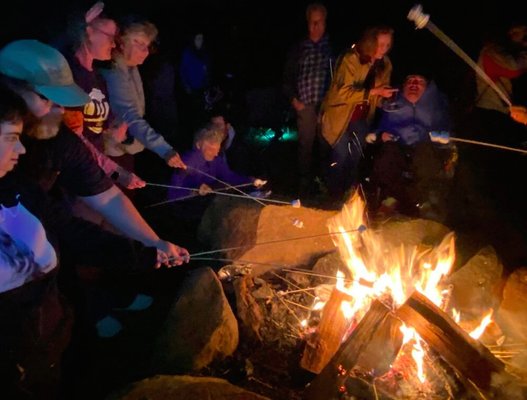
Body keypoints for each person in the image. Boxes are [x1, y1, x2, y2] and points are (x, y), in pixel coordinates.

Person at [0, 83, 177, 398]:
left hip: (49, 343)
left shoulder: (20, 189)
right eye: (12, 138)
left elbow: (72, 229)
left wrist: (146, 252)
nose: (23, 148)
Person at [0, 39, 189, 264]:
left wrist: (152, 242)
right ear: (10, 89)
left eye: (61, 101)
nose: (59, 109)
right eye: (46, 98)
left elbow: (104, 196)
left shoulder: (55, 137)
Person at [62, 2, 145, 190]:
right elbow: (76, 137)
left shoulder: (97, 77)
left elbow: (100, 125)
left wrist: (116, 129)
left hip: (96, 167)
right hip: (76, 172)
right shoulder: (69, 74)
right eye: (110, 36)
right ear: (89, 32)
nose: (114, 43)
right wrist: (115, 172)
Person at [320, 25, 397, 201]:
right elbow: (341, 93)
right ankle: (332, 195)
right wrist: (374, 92)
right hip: (339, 116)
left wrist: (386, 101)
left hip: (361, 118)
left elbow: (377, 96)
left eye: (387, 45)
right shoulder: (351, 59)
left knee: (355, 157)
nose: (383, 49)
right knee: (340, 155)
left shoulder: (385, 64)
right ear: (370, 42)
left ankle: (348, 195)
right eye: (380, 44)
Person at [100, 16, 185, 169]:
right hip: (112, 152)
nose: (146, 51)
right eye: (140, 44)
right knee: (115, 185)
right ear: (123, 42)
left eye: (148, 45)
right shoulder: (114, 71)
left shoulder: (131, 68)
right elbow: (129, 114)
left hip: (126, 147)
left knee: (129, 186)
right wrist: (164, 149)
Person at [366, 74, 453, 216]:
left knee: (426, 157)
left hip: (424, 146)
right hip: (397, 145)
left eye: (419, 82)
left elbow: (448, 131)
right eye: (410, 81)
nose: (414, 84)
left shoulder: (437, 104)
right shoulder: (393, 101)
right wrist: (381, 135)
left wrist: (442, 137)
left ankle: (423, 201)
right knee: (388, 154)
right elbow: (379, 127)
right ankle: (390, 198)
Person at [283, 3, 333, 194]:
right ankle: (305, 181)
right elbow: (287, 78)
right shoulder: (299, 48)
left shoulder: (331, 47)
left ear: (325, 23)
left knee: (325, 143)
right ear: (307, 23)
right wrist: (294, 100)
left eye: (319, 22)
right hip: (305, 105)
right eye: (312, 22)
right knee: (305, 145)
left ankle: (325, 180)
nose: (316, 26)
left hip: (326, 105)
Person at [168, 123, 266, 203]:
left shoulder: (216, 160)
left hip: (206, 202)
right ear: (198, 145)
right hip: (186, 206)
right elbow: (173, 193)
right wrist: (195, 190)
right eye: (211, 147)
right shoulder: (188, 161)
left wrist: (252, 181)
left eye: (217, 147)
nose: (215, 152)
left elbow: (230, 177)